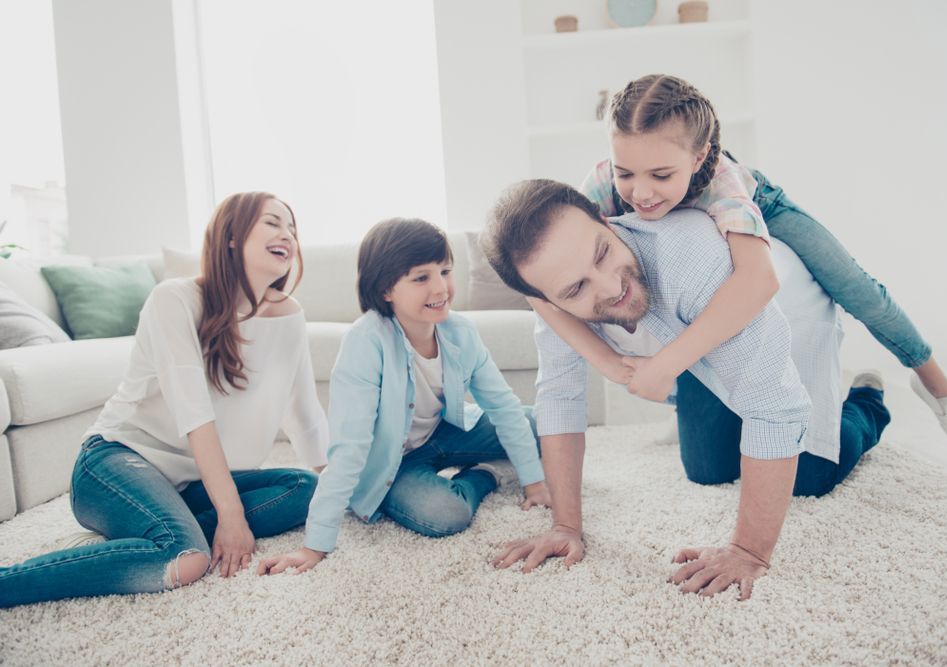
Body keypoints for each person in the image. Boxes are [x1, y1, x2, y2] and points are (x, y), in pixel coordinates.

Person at [480, 179, 891, 599]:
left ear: (606, 220)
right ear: (547, 301)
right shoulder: (554, 307)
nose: (608, 286)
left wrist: (748, 551)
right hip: (703, 350)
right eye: (575, 289)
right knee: (708, 471)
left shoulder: (692, 259)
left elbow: (777, 407)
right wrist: (565, 526)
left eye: (603, 253)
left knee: (810, 476)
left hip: (790, 319)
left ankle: (866, 400)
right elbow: (559, 399)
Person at [532, 74, 947, 448]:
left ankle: (937, 385)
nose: (641, 192)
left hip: (763, 204)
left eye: (662, 175)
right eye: (625, 172)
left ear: (699, 156)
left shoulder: (724, 185)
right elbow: (537, 288)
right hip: (679, 254)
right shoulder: (602, 185)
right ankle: (686, 402)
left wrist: (667, 364)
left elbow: (758, 280)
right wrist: (608, 362)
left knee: (856, 288)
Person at [0, 192, 328, 608]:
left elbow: (303, 413)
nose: (288, 235)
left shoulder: (288, 315)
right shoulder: (175, 298)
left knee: (306, 487)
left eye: (293, 228)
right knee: (184, 558)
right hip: (117, 462)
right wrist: (230, 515)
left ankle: (164, 525)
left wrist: (343, 489)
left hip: (194, 481)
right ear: (231, 236)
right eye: (273, 223)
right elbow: (195, 414)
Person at [257, 218, 549, 576]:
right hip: (393, 463)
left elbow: (502, 406)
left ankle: (490, 461)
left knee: (543, 424)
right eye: (421, 278)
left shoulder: (460, 331)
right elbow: (349, 448)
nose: (440, 287)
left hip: (445, 432)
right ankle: (485, 474)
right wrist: (315, 544)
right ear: (385, 289)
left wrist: (534, 484)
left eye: (445, 271)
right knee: (445, 513)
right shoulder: (366, 342)